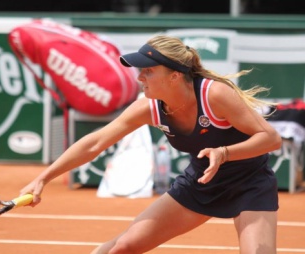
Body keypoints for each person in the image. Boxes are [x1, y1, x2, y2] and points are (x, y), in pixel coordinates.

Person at [20, 34, 282, 254]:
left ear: (175, 76)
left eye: (148, 71)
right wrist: (44, 177)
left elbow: (271, 139)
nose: (139, 78)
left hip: (250, 184)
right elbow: (95, 143)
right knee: (122, 247)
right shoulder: (148, 107)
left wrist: (224, 153)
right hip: (200, 184)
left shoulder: (214, 94)